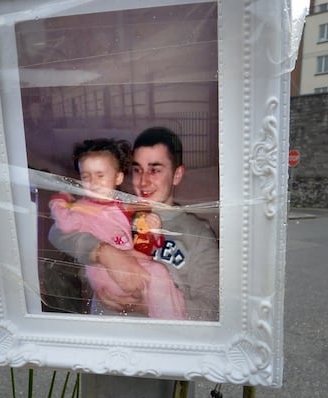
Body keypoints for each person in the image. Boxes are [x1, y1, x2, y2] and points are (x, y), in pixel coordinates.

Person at [49, 127, 219, 321]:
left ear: (177, 175)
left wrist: (145, 306)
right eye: (137, 170)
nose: (144, 181)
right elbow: (57, 232)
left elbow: (214, 311)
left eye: (154, 170)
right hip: (103, 334)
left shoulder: (198, 234)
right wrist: (104, 253)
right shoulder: (117, 211)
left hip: (162, 342)